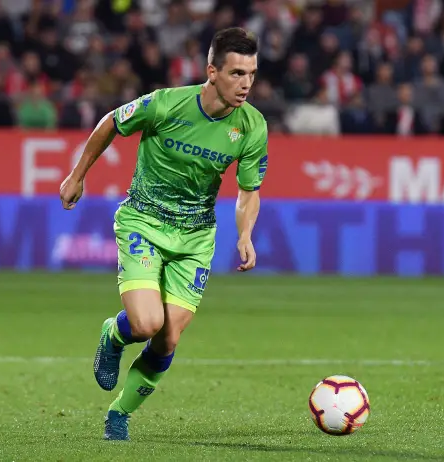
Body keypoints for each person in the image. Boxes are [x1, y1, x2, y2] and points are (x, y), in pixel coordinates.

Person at [59, 27, 269, 441]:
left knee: (168, 337)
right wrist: (77, 174)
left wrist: (244, 235)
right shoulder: (167, 104)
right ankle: (113, 334)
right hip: (144, 221)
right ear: (212, 71)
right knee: (146, 324)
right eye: (237, 73)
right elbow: (109, 124)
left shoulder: (252, 127)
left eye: (252, 74)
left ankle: (120, 413)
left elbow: (249, 192)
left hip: (195, 238)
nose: (246, 84)